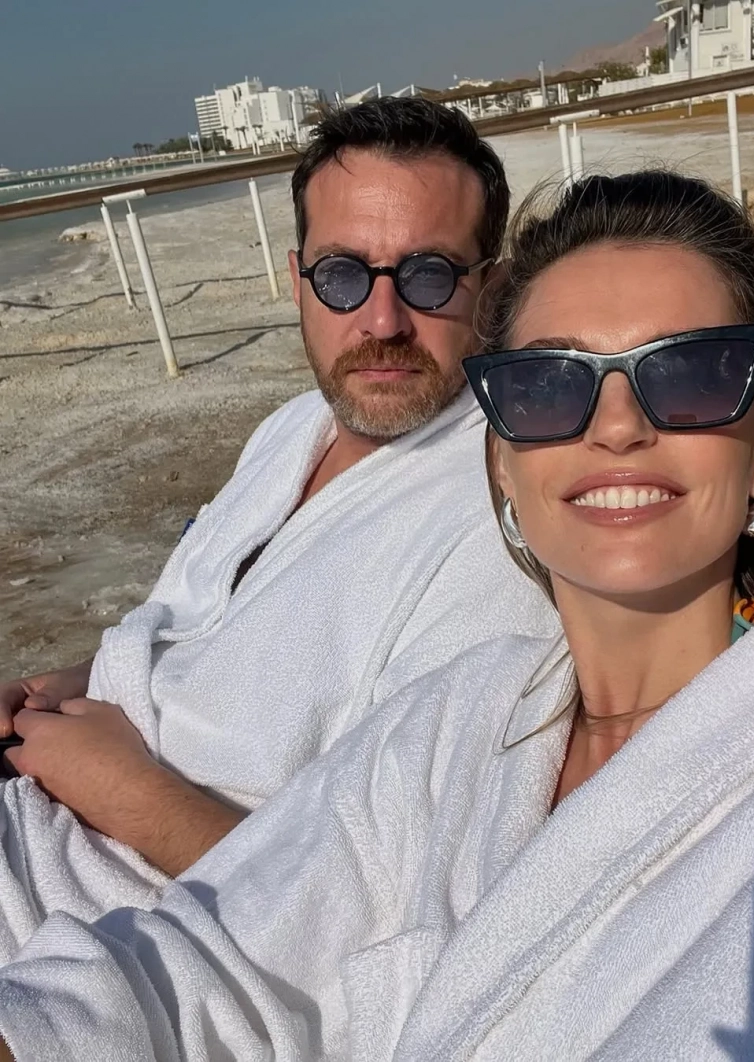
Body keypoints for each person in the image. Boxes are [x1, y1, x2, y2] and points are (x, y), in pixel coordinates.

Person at [2, 170, 754, 1062]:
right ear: (503, 462)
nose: (617, 426)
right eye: (547, 383)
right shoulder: (459, 719)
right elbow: (204, 959)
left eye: (690, 373)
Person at [0, 98, 557, 959]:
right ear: (297, 278)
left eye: (430, 275)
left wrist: (123, 791)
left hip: (98, 935)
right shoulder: (296, 428)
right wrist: (61, 683)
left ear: (490, 287)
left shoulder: (501, 516)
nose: (382, 321)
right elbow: (205, 622)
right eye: (342, 275)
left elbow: (374, 922)